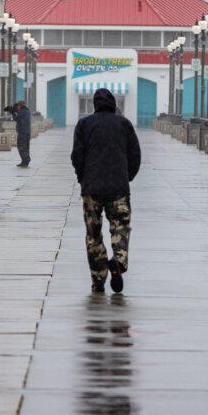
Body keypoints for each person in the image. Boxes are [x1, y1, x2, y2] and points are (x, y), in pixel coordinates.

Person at [70, 88, 141, 293]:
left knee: (93, 234)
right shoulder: (124, 124)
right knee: (120, 226)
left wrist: (83, 178)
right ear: (113, 104)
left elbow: (77, 156)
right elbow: (135, 155)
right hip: (118, 187)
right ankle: (118, 260)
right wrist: (127, 176)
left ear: (95, 105)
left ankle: (98, 279)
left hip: (91, 188)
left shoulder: (84, 124)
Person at [12, 100, 31, 167]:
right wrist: (16, 111)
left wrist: (13, 113)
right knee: (25, 147)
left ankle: (26, 160)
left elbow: (16, 118)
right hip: (27, 132)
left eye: (18, 105)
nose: (17, 107)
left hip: (22, 132)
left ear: (20, 105)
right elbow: (20, 116)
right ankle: (24, 161)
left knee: (21, 146)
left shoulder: (22, 112)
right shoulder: (27, 111)